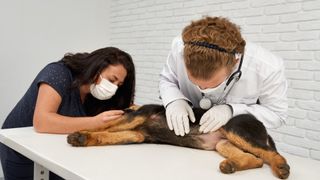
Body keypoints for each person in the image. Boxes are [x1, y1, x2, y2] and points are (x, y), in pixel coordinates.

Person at [0, 47, 135, 180]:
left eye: (119, 85)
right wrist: (95, 122)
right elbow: (42, 121)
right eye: (112, 80)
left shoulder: (95, 96)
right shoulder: (58, 73)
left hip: (54, 150)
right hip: (20, 149)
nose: (114, 88)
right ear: (96, 68)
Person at [159, 16, 288, 137]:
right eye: (195, 82)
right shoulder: (179, 48)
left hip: (234, 137)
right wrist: (174, 100)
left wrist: (233, 111)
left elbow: (277, 115)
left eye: (212, 85)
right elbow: (168, 79)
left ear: (235, 62)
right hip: (189, 135)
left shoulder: (268, 67)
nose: (202, 89)